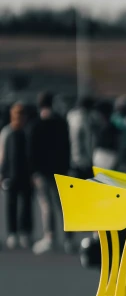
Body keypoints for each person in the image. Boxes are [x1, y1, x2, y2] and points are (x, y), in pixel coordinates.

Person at [29, 92, 71, 254]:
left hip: (42, 171)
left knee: (46, 205)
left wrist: (33, 171)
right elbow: (67, 147)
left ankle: (50, 237)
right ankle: (68, 239)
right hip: (60, 170)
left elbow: (31, 151)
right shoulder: (61, 123)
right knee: (63, 207)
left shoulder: (35, 125)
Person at [0, 103, 33, 249]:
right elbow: (3, 155)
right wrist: (2, 173)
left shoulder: (28, 132)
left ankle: (25, 232)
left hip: (26, 174)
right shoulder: (7, 132)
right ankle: (12, 233)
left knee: (26, 205)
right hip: (11, 174)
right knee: (11, 205)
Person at [92, 100, 126, 171]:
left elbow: (120, 148)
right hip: (99, 163)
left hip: (108, 163)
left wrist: (117, 163)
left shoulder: (113, 130)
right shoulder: (97, 128)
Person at [67, 95, 94, 179]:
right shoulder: (84, 119)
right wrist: (89, 159)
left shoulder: (70, 116)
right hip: (82, 160)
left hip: (72, 158)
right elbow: (87, 141)